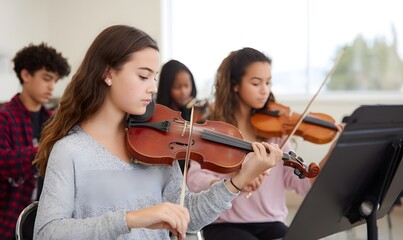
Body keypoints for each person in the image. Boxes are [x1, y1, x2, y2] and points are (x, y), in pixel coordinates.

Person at [32, 25, 284, 240]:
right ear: (108, 74)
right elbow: (47, 232)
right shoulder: (71, 150)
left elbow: (189, 217)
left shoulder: (155, 143)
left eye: (155, 78)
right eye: (143, 76)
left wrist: (237, 181)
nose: (153, 88)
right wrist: (132, 219)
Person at [187, 47, 342, 240]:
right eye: (256, 83)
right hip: (223, 225)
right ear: (235, 85)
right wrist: (231, 183)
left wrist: (334, 150)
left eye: (268, 83)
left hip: (271, 224)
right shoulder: (216, 131)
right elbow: (193, 179)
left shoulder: (275, 133)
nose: (264, 90)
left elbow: (303, 184)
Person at [0, 43, 70, 239]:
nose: (52, 86)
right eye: (46, 78)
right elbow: (2, 161)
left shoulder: (53, 121)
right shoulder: (4, 116)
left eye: (55, 80)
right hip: (8, 219)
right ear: (26, 75)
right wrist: (45, 150)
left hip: (44, 220)